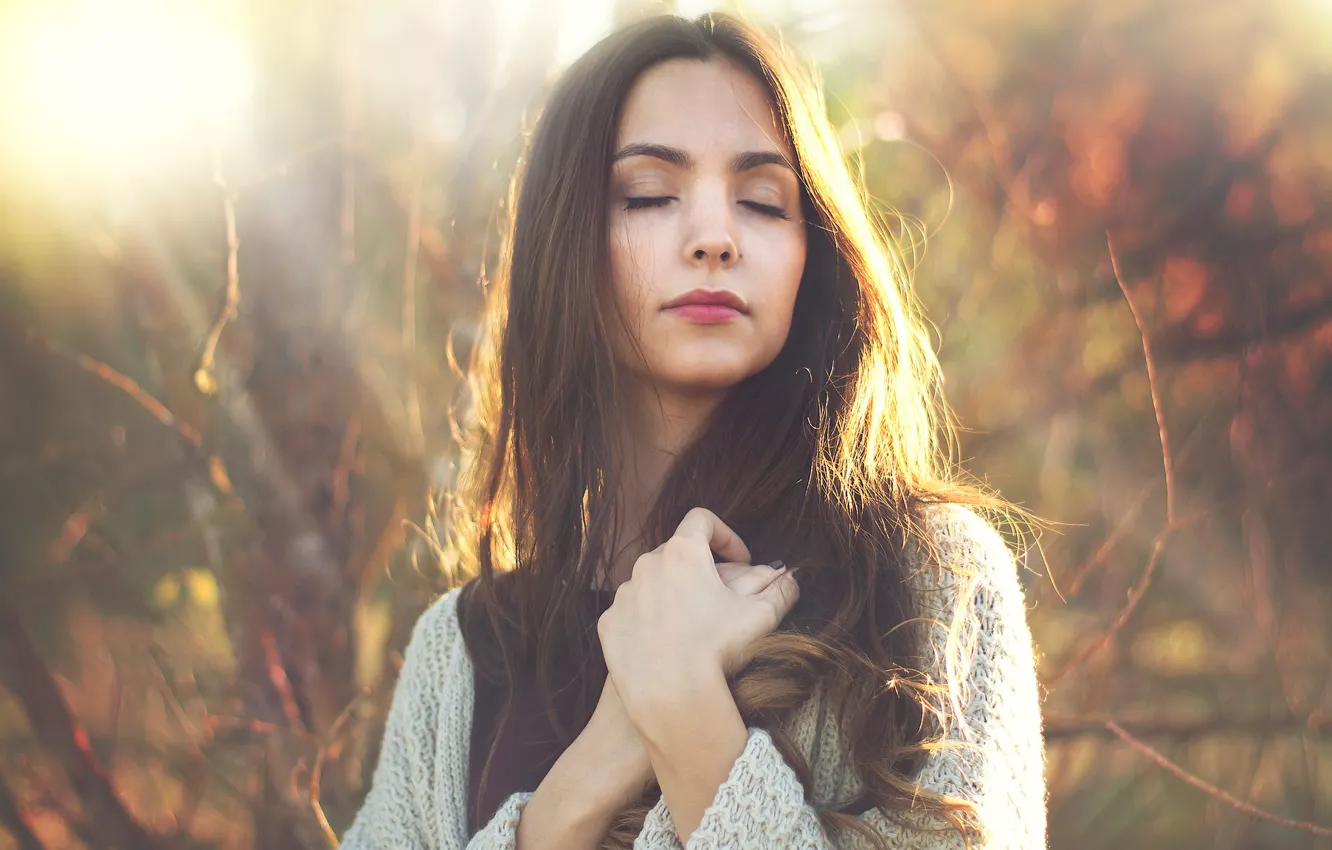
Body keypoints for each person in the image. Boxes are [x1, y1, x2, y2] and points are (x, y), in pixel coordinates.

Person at [341, 11, 1046, 850]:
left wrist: (685, 713)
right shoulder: (461, 655)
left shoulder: (926, 580)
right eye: (649, 194)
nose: (714, 237)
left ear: (807, 255)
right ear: (567, 243)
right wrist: (572, 796)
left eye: (760, 201)